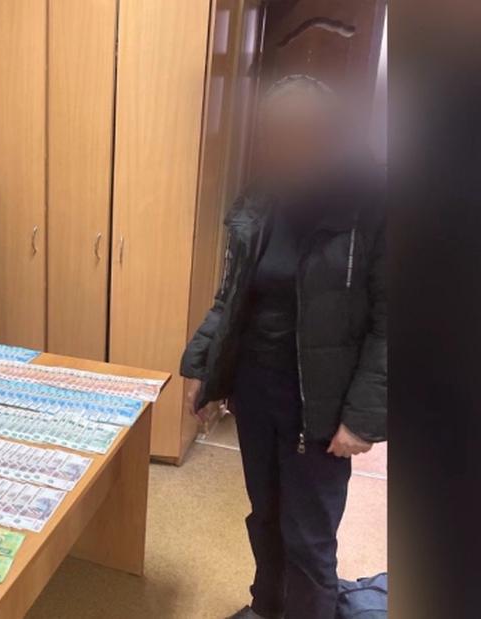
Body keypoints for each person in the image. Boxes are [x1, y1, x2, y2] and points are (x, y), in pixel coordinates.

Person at [180, 75, 386, 619]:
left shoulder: (372, 205)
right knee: (265, 515)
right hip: (257, 389)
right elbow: (231, 295)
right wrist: (203, 367)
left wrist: (362, 419)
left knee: (308, 535)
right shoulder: (261, 199)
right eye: (276, 135)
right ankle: (266, 606)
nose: (288, 149)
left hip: (319, 403)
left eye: (303, 135)